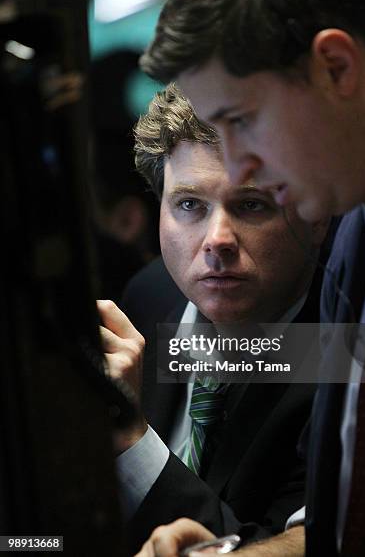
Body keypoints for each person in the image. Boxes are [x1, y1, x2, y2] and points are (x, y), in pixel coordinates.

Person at [136, 0, 365, 556]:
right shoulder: (355, 246)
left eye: (242, 120)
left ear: (335, 66)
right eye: (188, 204)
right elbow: (340, 522)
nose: (240, 162)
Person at [99, 83, 332, 553]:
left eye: (251, 205)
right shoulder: (147, 297)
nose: (217, 239)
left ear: (317, 216)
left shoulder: (356, 350)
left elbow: (269, 543)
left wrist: (130, 440)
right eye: (190, 205)